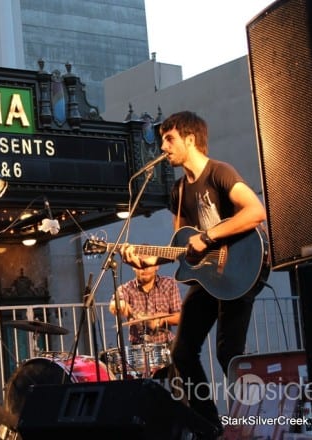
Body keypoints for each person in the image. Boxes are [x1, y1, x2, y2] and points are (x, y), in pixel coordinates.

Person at [121, 111, 267, 436]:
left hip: (240, 268)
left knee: (228, 353)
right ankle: (210, 427)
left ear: (190, 139)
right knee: (182, 353)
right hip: (208, 277)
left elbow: (256, 211)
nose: (163, 146)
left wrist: (209, 236)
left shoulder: (219, 172)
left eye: (169, 138)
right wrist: (149, 258)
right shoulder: (178, 191)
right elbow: (182, 247)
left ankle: (255, 424)